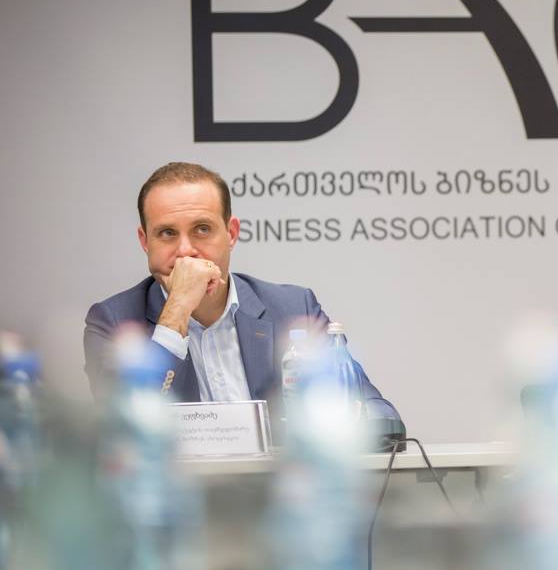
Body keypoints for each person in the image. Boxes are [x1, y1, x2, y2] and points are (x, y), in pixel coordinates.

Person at [83, 162, 399, 422]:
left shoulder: (293, 308)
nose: (186, 251)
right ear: (145, 242)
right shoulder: (112, 322)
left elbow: (380, 415)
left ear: (231, 233)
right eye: (167, 233)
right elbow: (123, 428)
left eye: (202, 229)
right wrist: (177, 309)